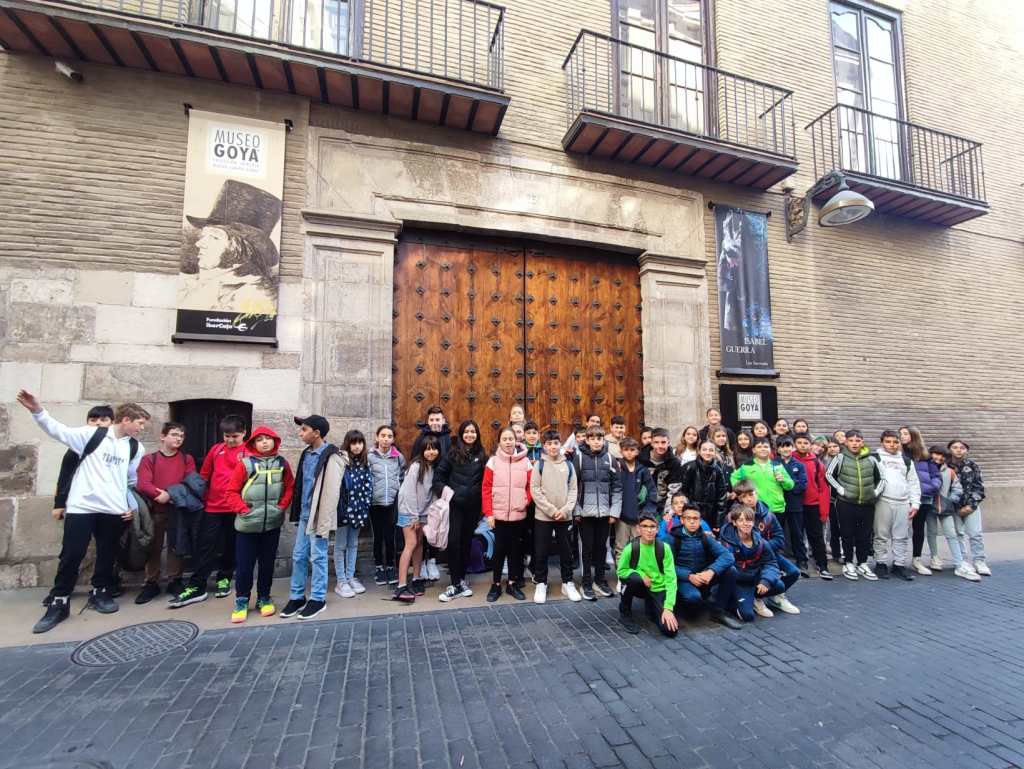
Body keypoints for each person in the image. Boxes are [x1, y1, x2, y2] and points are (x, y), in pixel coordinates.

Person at [18, 391, 147, 634]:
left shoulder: (134, 447)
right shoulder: (91, 435)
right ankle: (59, 601)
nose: (141, 428)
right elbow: (58, 430)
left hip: (113, 509)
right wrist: (37, 410)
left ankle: (101, 592)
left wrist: (128, 505)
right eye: (139, 423)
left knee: (107, 554)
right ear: (126, 419)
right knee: (72, 554)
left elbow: (129, 480)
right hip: (82, 506)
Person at [170, 414, 247, 607]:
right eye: (227, 436)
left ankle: (224, 578)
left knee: (230, 545)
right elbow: (204, 475)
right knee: (205, 546)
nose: (230, 440)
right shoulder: (216, 449)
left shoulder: (249, 452)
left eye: (235, 436)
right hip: (213, 505)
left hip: (236, 507)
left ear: (244, 433)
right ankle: (198, 585)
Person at [225, 426, 294, 623]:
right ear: (253, 443)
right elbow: (231, 491)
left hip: (272, 524)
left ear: (275, 441)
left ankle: (264, 597)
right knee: (244, 566)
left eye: (268, 438)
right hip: (247, 525)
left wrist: (281, 507)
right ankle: (241, 600)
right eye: (260, 439)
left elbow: (290, 487)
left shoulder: (282, 463)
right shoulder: (245, 464)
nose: (264, 442)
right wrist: (243, 510)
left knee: (267, 564)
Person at [281, 415, 344, 620]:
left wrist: (324, 521)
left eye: (304, 430)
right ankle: (297, 596)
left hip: (319, 516)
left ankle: (318, 599)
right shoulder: (306, 454)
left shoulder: (332, 457)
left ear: (316, 433)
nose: (300, 433)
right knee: (299, 555)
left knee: (318, 557)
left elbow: (331, 493)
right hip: (305, 514)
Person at [135, 421, 196, 604]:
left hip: (178, 509)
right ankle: (151, 582)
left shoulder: (186, 459)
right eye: (174, 434)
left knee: (176, 545)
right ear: (163, 436)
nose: (178, 439)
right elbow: (144, 483)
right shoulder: (150, 459)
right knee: (153, 546)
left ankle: (175, 580)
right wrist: (158, 495)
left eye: (181, 436)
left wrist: (170, 495)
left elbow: (190, 482)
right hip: (155, 511)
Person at [661, 503, 741, 628]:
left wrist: (711, 571)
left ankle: (718, 612)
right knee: (693, 599)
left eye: (695, 518)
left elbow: (728, 556)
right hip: (683, 580)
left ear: (700, 520)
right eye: (688, 518)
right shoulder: (671, 539)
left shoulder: (705, 537)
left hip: (703, 577)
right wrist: (688, 576)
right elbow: (665, 566)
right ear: (682, 520)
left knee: (731, 571)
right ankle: (679, 605)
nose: (692, 522)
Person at [726, 481, 800, 616]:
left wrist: (761, 547)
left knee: (794, 572)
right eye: (744, 496)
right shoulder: (735, 516)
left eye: (751, 494)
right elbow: (730, 540)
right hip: (747, 558)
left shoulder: (768, 514)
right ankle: (755, 597)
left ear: (757, 493)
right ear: (739, 499)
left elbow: (779, 538)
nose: (749, 499)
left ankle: (775, 596)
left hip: (767, 553)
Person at [433, 420, 486, 602]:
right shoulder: (452, 454)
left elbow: (485, 481)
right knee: (454, 542)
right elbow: (438, 478)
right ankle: (455, 583)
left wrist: (480, 500)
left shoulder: (482, 455)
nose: (470, 435)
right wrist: (450, 494)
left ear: (477, 434)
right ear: (462, 434)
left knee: (466, 543)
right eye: (467, 432)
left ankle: (461, 580)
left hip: (473, 507)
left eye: (473, 432)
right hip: (455, 506)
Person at [530, 430, 581, 603]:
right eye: (549, 443)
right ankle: (541, 582)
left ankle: (567, 582)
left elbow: (573, 490)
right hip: (544, 517)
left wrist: (565, 510)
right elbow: (535, 490)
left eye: (556, 443)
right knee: (541, 550)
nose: (553, 446)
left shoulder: (569, 465)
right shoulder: (539, 465)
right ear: (544, 446)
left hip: (564, 516)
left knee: (566, 551)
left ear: (560, 444)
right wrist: (551, 510)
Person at [482, 426, 532, 602]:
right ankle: (495, 584)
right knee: (499, 551)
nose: (508, 442)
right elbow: (486, 488)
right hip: (499, 515)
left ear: (516, 441)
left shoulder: (525, 462)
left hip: (518, 515)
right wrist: (489, 513)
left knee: (515, 551)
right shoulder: (493, 462)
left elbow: (531, 486)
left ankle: (512, 583)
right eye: (504, 439)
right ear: (499, 442)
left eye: (511, 439)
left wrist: (525, 501)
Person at [573, 426, 623, 600]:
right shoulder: (579, 459)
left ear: (603, 440)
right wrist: (576, 510)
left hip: (604, 513)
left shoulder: (610, 459)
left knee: (602, 548)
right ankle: (586, 582)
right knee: (586, 549)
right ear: (587, 440)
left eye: (599, 439)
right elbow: (573, 487)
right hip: (584, 513)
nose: (596, 442)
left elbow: (617, 487)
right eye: (592, 438)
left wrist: (614, 512)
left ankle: (599, 580)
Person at [825, 430, 881, 582]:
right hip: (846, 503)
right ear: (846, 442)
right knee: (847, 534)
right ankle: (849, 562)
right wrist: (840, 489)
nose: (854, 443)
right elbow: (828, 475)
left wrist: (875, 492)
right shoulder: (840, 457)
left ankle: (862, 563)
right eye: (851, 440)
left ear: (862, 442)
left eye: (858, 440)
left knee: (865, 535)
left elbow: (881, 478)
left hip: (867, 504)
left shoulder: (872, 459)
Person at [392, 436, 440, 602]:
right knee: (411, 544)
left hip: (424, 513)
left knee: (419, 544)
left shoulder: (434, 467)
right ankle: (401, 586)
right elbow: (409, 493)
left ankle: (417, 578)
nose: (431, 452)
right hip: (409, 511)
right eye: (427, 449)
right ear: (422, 450)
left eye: (434, 448)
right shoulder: (416, 466)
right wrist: (414, 516)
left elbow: (432, 494)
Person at [616, 511, 679, 636]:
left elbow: (671, 579)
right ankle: (625, 612)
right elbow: (621, 571)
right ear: (638, 529)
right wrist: (640, 575)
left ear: (657, 529)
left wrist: (668, 607)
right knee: (633, 579)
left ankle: (651, 608)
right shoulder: (631, 548)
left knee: (670, 631)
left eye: (652, 526)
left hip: (658, 588)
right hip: (640, 585)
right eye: (645, 526)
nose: (649, 530)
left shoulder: (664, 548)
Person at [719, 507, 786, 624]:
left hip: (754, 578)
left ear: (753, 522)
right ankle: (733, 600)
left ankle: (754, 597)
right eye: (741, 520)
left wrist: (765, 580)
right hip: (737, 581)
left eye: (749, 520)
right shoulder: (725, 543)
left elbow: (771, 562)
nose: (746, 523)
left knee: (779, 585)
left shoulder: (761, 542)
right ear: (734, 523)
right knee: (747, 616)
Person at [872, 430, 921, 581]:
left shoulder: (906, 461)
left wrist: (915, 504)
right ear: (882, 442)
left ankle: (899, 564)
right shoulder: (875, 458)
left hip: (903, 502)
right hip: (883, 501)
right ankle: (880, 563)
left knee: (901, 536)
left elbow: (913, 483)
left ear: (899, 443)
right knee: (881, 534)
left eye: (895, 442)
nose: (892, 445)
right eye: (888, 442)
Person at [927, 447, 980, 581]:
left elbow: (957, 488)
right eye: (936, 454)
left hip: (946, 508)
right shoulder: (925, 468)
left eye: (942, 456)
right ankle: (934, 558)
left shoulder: (949, 471)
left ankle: (959, 563)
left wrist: (950, 500)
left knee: (951, 534)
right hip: (929, 507)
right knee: (931, 532)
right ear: (930, 454)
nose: (939, 458)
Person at [411, 405, 451, 582]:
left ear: (443, 420)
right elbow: (415, 459)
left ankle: (432, 561)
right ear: (428, 421)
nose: (435, 422)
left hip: (440, 488)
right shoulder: (421, 438)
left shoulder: (448, 438)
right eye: (432, 420)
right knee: (422, 526)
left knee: (436, 524)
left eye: (438, 419)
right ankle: (422, 562)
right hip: (424, 488)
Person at [335, 430, 373, 598]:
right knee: (340, 545)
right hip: (343, 511)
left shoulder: (365, 463)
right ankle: (341, 580)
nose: (357, 446)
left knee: (353, 544)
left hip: (358, 510)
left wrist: (365, 505)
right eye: (353, 443)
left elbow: (368, 485)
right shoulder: (341, 462)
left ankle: (350, 577)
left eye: (360, 442)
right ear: (347, 444)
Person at [367, 425, 405, 587]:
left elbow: (402, 475)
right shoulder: (369, 456)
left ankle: (390, 566)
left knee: (390, 536)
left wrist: (398, 490)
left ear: (393, 439)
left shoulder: (398, 457)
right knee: (378, 537)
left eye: (389, 436)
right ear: (377, 437)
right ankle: (379, 568)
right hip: (375, 503)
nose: (386, 439)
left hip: (391, 503)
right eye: (383, 435)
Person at [614, 437, 657, 577]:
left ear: (638, 451)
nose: (629, 453)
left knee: (639, 547)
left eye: (632, 450)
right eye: (626, 450)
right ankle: (622, 577)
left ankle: (638, 575)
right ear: (621, 451)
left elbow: (652, 492)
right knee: (621, 547)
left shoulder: (643, 470)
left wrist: (647, 513)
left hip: (639, 517)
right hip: (622, 516)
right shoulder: (616, 468)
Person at [729, 437, 794, 531]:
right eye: (759, 447)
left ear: (770, 449)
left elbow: (790, 485)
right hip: (756, 509)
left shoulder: (777, 465)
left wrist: (783, 480)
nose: (763, 449)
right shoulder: (747, 466)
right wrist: (740, 491)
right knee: (759, 536)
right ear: (754, 450)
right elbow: (734, 477)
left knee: (777, 535)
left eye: (766, 447)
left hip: (777, 508)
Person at [901, 426, 941, 576]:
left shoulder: (925, 455)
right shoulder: (898, 453)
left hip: (924, 498)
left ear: (914, 436)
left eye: (905, 434)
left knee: (918, 529)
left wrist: (931, 487)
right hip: (903, 498)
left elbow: (936, 475)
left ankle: (916, 560)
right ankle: (899, 561)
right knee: (900, 530)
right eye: (901, 434)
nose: (902, 436)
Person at [792, 433, 832, 580]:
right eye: (799, 443)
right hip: (795, 504)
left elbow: (823, 488)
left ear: (810, 445)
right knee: (797, 536)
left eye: (806, 443)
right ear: (795, 444)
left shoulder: (816, 463)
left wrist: (824, 511)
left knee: (816, 536)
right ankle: (801, 563)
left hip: (812, 504)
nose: (803, 446)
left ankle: (822, 565)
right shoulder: (789, 460)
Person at [948, 439, 990, 576]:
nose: (958, 450)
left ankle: (979, 561)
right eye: (955, 447)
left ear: (966, 450)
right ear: (949, 449)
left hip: (971, 506)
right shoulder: (945, 466)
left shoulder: (973, 466)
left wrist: (971, 506)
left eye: (962, 447)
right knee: (957, 535)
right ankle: (963, 561)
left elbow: (979, 487)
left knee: (976, 534)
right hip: (952, 507)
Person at [678, 440, 730, 533]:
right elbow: (683, 492)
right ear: (699, 451)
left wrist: (718, 521)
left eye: (711, 450)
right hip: (692, 510)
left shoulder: (718, 470)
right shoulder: (690, 467)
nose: (707, 452)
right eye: (704, 449)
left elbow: (721, 497)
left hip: (711, 513)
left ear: (715, 452)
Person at [774, 437, 808, 571]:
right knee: (777, 534)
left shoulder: (799, 465)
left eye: (788, 446)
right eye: (782, 446)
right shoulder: (773, 464)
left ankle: (802, 561)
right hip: (777, 504)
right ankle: (776, 563)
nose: (785, 449)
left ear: (793, 447)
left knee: (797, 533)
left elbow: (802, 485)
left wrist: (788, 483)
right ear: (778, 449)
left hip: (795, 504)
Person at [643, 427, 683, 511]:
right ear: (651, 443)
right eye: (656, 442)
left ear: (668, 443)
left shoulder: (674, 462)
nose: (660, 446)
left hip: (663, 505)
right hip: (643, 504)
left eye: (663, 442)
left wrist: (668, 511)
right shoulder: (641, 458)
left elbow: (674, 490)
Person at [824, 436, 843, 565]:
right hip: (828, 499)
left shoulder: (844, 460)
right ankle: (834, 551)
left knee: (842, 527)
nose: (832, 449)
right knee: (831, 527)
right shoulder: (824, 461)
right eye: (829, 447)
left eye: (835, 446)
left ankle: (841, 551)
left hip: (842, 498)